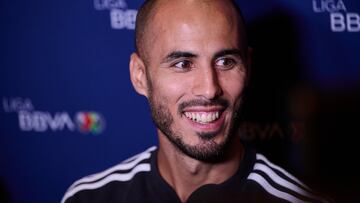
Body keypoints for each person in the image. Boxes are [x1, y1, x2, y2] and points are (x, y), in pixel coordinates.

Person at [61, 0, 330, 202]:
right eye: (183, 63)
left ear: (248, 67)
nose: (209, 89)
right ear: (140, 76)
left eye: (226, 62)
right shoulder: (89, 198)